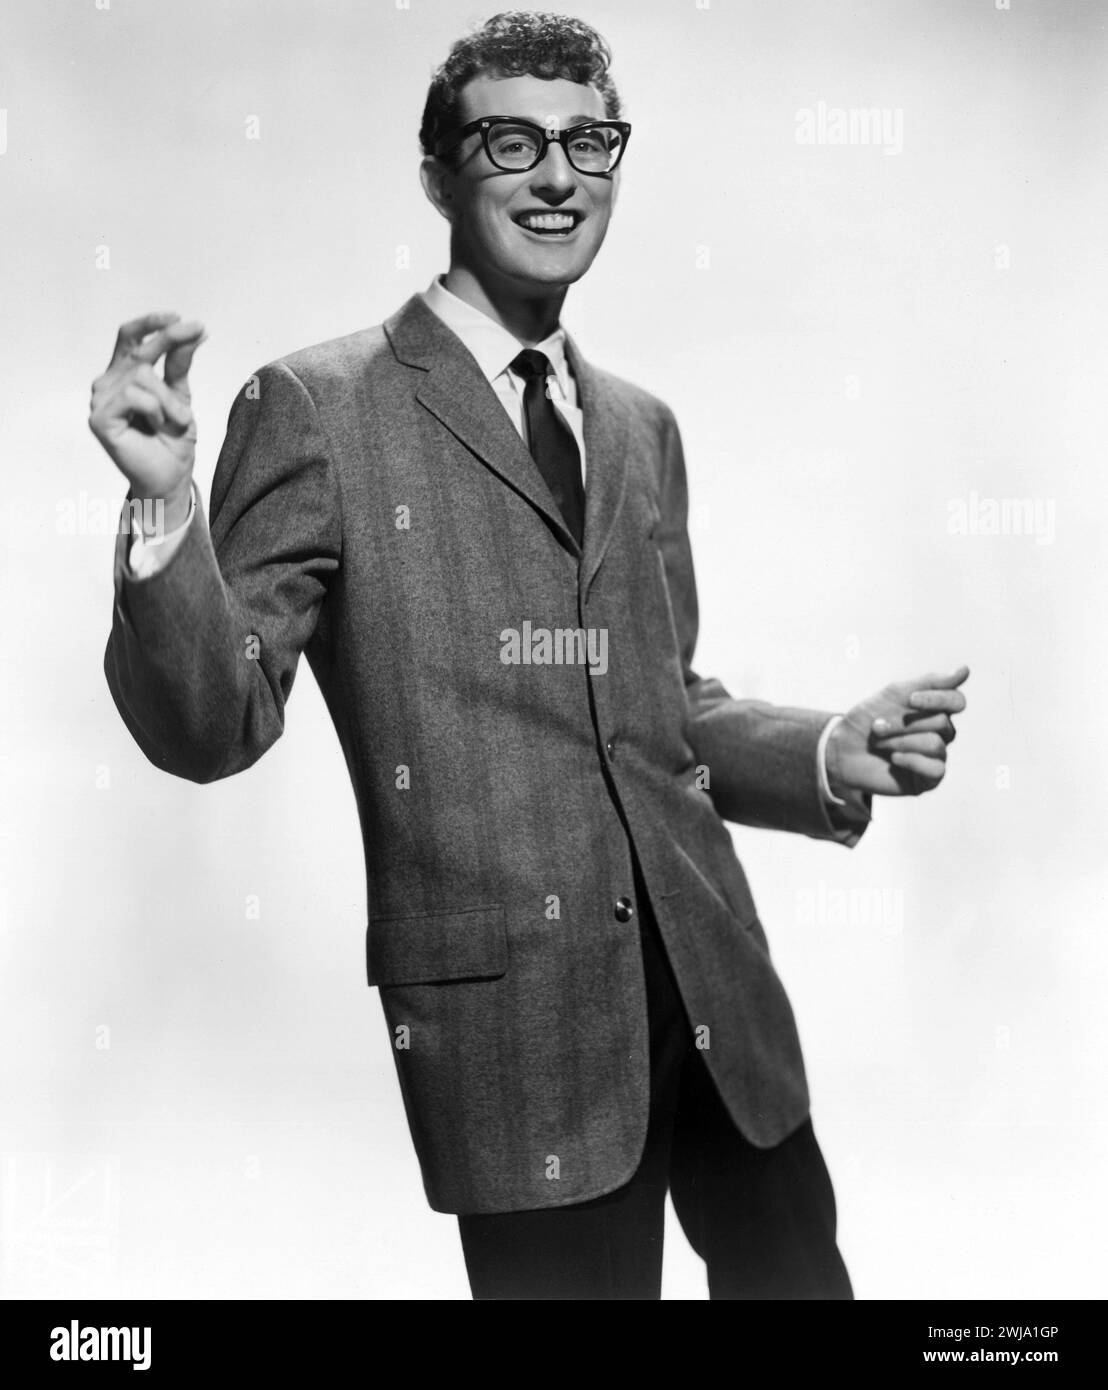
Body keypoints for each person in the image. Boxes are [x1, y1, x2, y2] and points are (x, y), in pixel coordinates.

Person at [89, 11, 968, 1300]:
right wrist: (167, 509)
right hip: (521, 1041)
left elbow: (662, 714)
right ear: (440, 172)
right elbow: (213, 723)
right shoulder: (317, 408)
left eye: (589, 143)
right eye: (514, 142)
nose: (559, 177)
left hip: (720, 1000)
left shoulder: (640, 426)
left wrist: (823, 749)